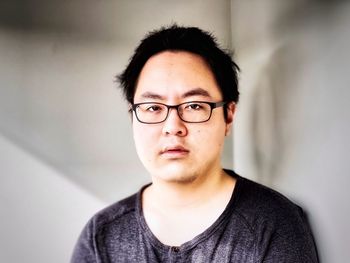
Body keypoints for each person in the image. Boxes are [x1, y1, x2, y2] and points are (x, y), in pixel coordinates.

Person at [71, 25, 319, 262]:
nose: (172, 127)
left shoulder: (272, 223)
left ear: (228, 116)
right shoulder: (101, 236)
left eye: (194, 106)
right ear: (132, 116)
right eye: (153, 107)